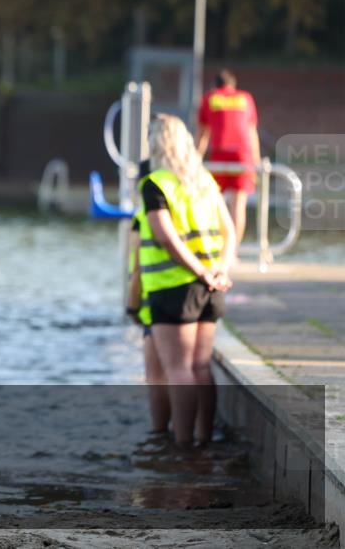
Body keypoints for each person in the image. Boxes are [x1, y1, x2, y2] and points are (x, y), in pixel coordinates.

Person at [139, 114, 236, 447]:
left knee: (178, 369)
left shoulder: (156, 183)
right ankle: (204, 439)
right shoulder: (205, 181)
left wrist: (200, 272)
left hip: (175, 288)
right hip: (211, 288)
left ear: (156, 144)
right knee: (200, 367)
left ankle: (182, 448)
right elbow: (230, 231)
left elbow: (166, 238)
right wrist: (220, 270)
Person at [127, 160, 170, 434]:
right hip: (186, 292)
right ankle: (192, 437)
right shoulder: (180, 200)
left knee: (157, 377)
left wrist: (132, 305)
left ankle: (159, 434)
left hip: (155, 302)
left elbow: (138, 268)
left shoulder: (142, 216)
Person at [196, 69, 261, 245]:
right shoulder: (245, 98)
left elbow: (203, 135)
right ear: (233, 85)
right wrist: (256, 163)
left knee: (215, 203)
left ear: (215, 85)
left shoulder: (210, 98)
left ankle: (215, 246)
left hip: (219, 154)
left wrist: (195, 161)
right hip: (243, 156)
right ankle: (232, 253)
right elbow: (252, 133)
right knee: (238, 207)